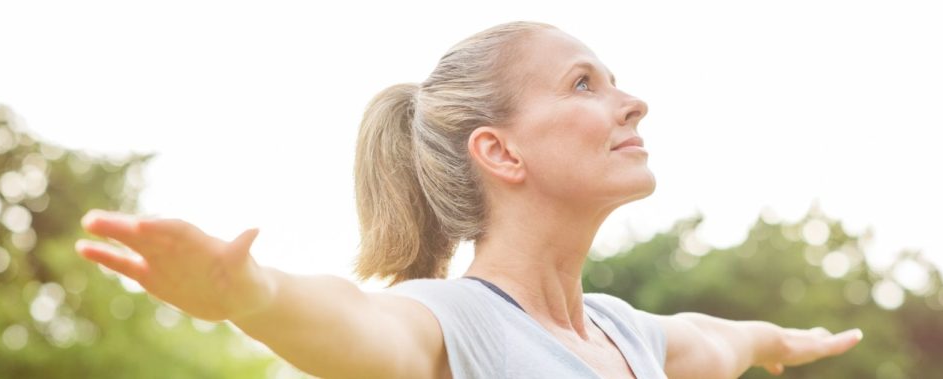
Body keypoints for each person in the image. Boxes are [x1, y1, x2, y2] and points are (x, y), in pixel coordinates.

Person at [75, 21, 862, 379]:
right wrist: (252, 294)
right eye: (584, 82)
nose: (633, 103)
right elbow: (356, 323)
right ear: (499, 150)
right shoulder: (455, 325)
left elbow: (728, 338)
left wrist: (793, 339)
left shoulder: (633, 336)